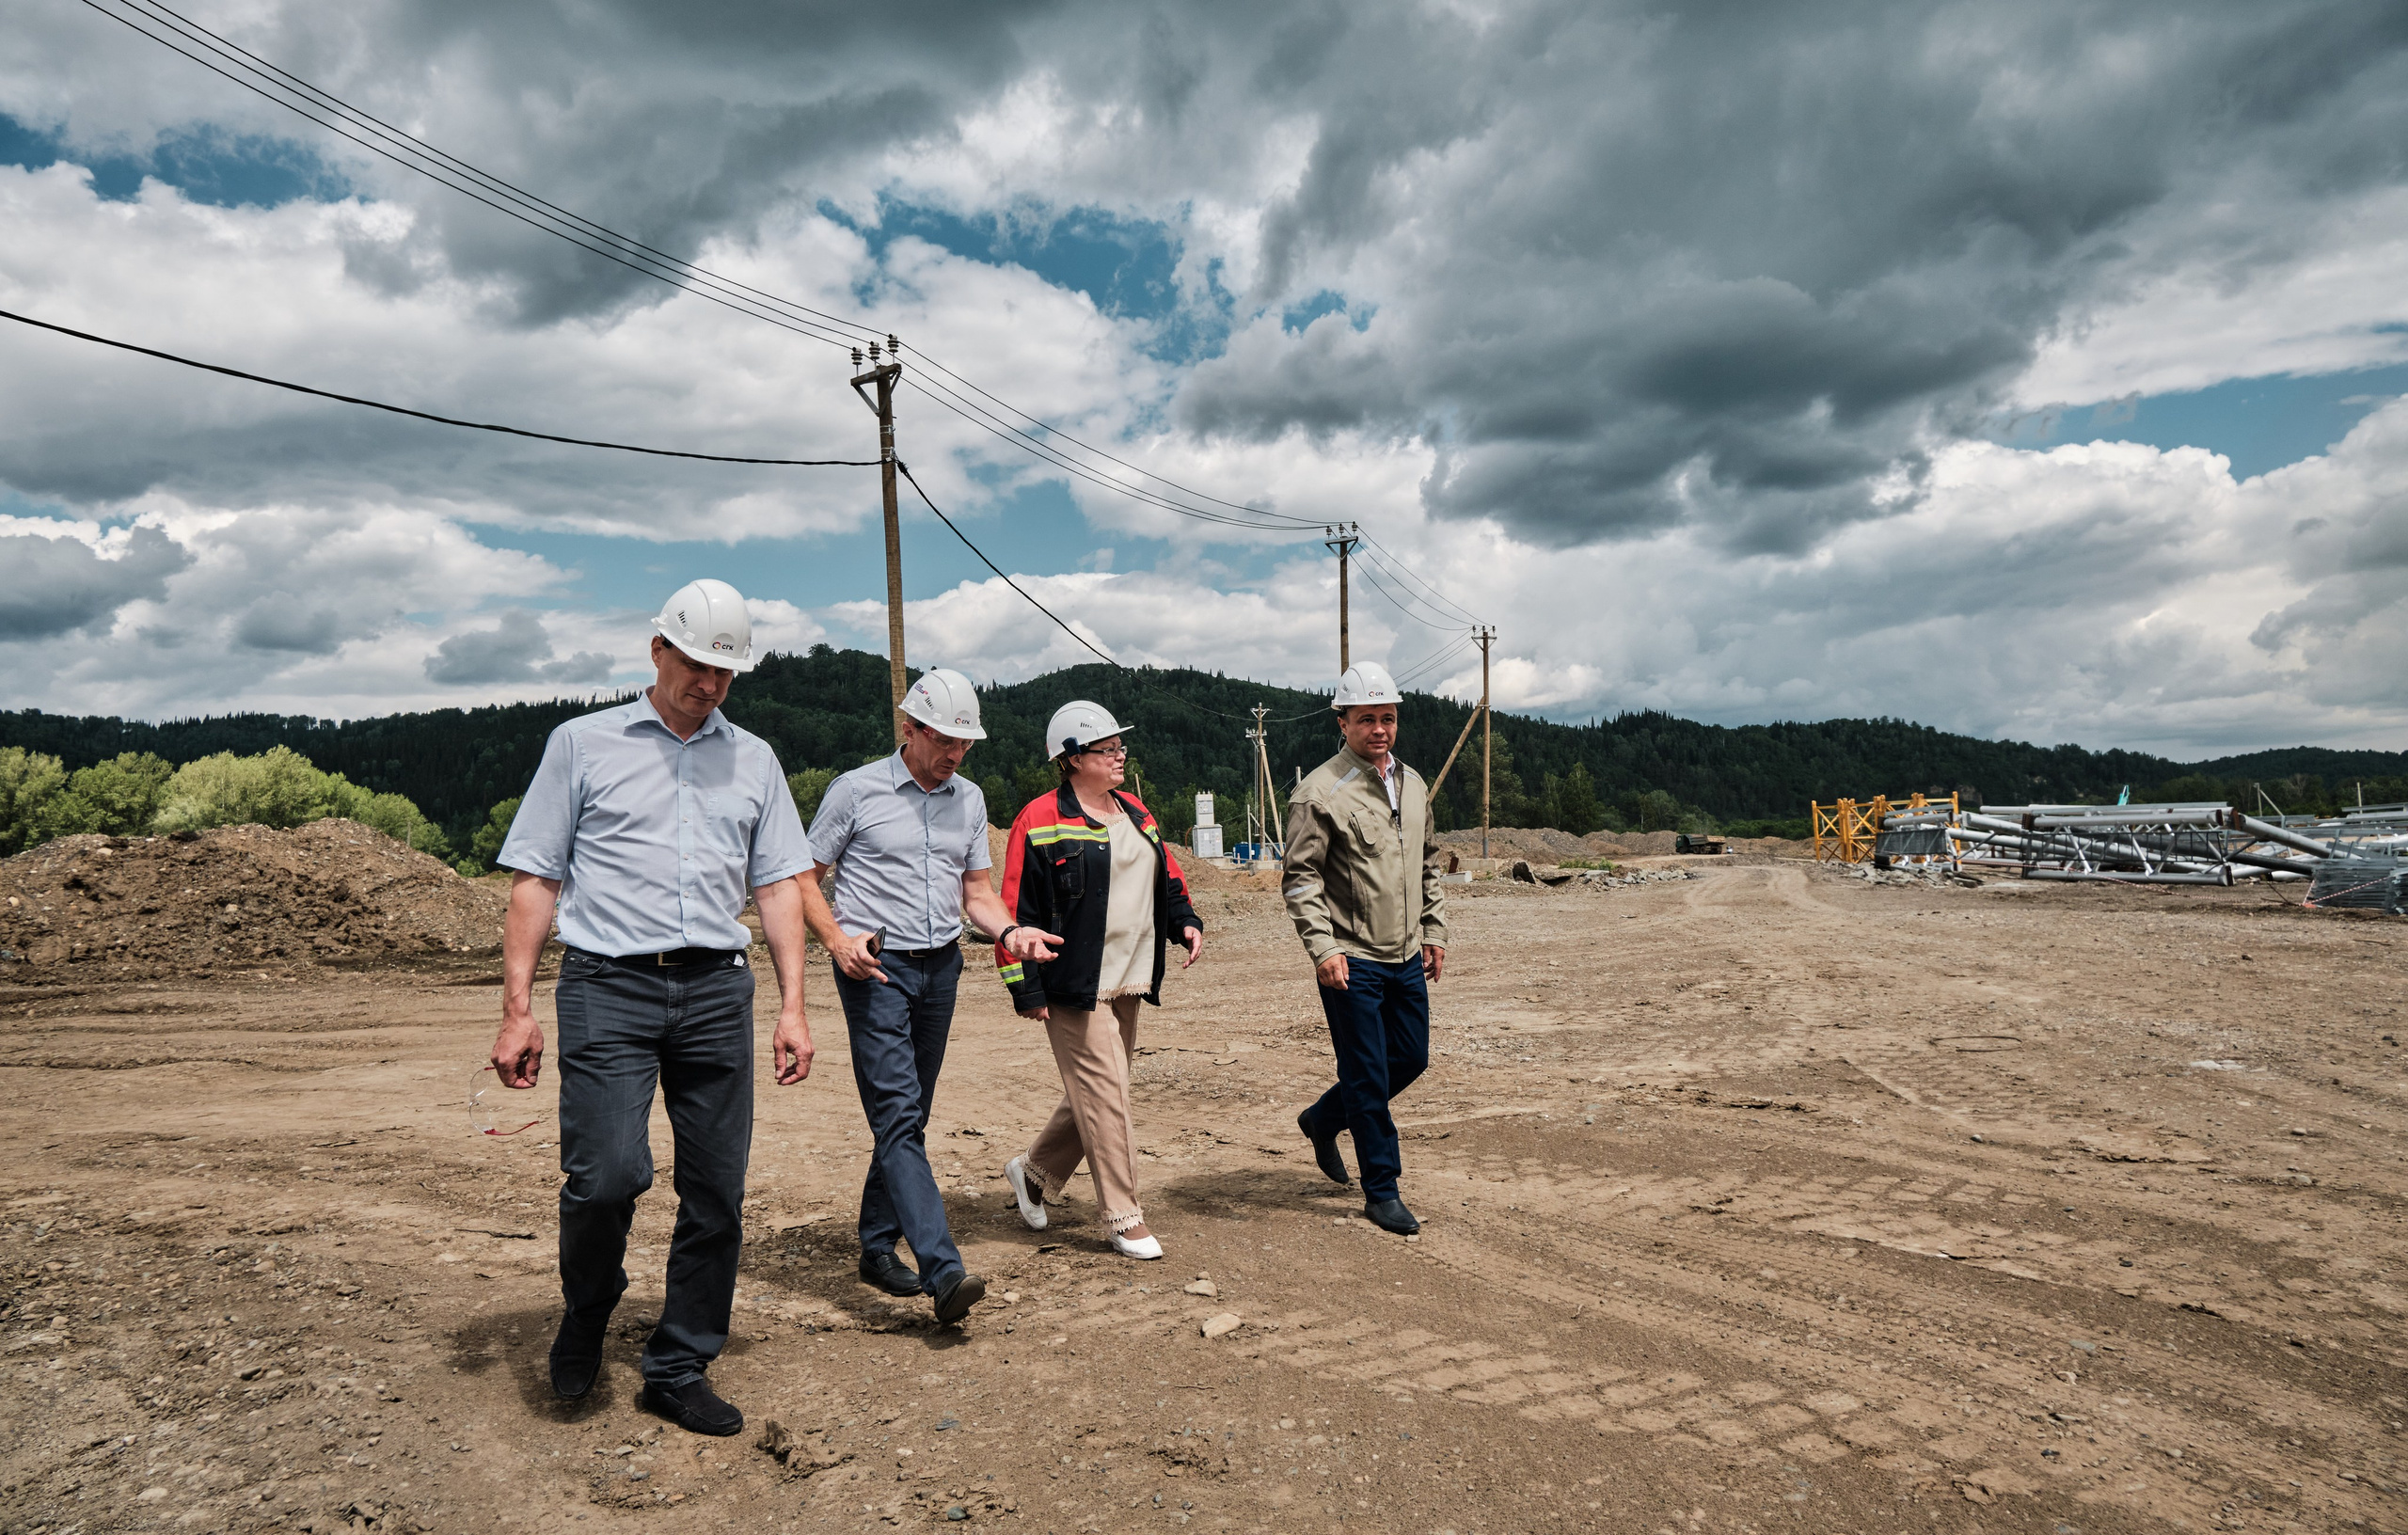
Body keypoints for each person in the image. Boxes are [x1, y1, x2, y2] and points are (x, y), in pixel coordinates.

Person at [486, 578, 816, 1438]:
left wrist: (793, 1007)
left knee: (718, 1189)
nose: (710, 684)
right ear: (658, 650)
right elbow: (536, 879)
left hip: (716, 989)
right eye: (699, 664)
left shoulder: (755, 759)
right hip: (608, 986)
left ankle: (678, 1362)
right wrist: (518, 1009)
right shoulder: (581, 745)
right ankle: (589, 1309)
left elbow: (781, 885)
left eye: (726, 672)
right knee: (606, 1175)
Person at [797, 667, 1059, 1323]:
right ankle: (944, 1271)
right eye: (943, 740)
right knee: (896, 1114)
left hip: (940, 968)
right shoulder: (853, 792)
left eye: (964, 745)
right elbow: (801, 877)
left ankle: (875, 1246)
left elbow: (976, 895)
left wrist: (1013, 930)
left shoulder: (967, 800)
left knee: (908, 1117)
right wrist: (836, 941)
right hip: (874, 971)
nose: (953, 755)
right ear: (908, 729)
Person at [995, 701, 1204, 1259]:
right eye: (1106, 749)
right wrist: (1025, 987)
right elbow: (1015, 908)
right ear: (1070, 760)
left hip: (1129, 978)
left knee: (1097, 1090)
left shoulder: (1135, 811)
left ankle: (1033, 1174)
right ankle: (1123, 1214)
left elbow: (1167, 875)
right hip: (1071, 984)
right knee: (1108, 1095)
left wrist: (1184, 920)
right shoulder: (1037, 820)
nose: (1119, 756)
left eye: (1119, 747)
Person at [1281, 660, 1449, 1235]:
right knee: (1367, 1073)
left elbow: (1428, 863)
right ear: (1343, 721)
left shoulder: (1415, 784)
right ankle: (1382, 1189)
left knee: (1411, 1057)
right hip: (1351, 958)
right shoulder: (1319, 793)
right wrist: (1322, 949)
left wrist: (1433, 931)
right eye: (1366, 719)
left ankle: (1323, 1118)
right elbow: (1300, 880)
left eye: (1388, 718)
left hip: (1405, 954)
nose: (1379, 729)